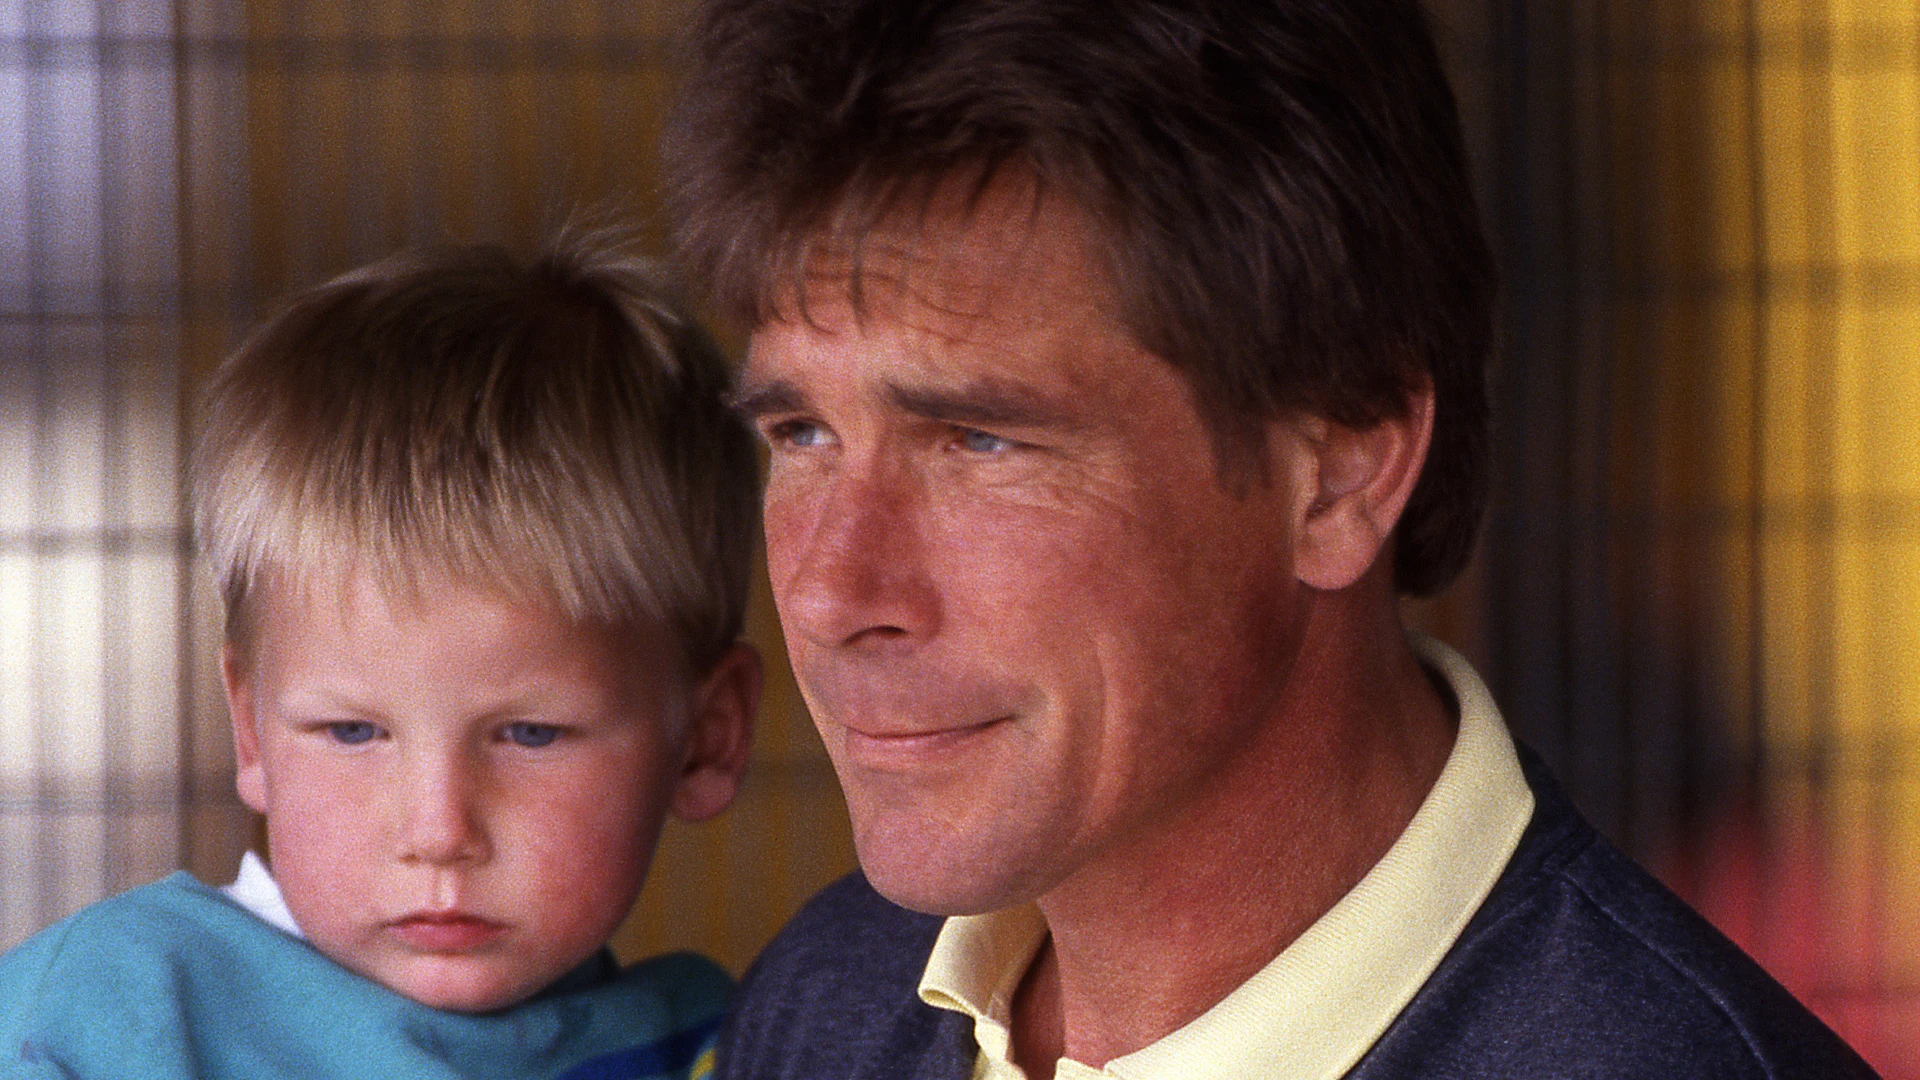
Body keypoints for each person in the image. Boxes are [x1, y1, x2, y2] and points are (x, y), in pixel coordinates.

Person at [661, 1, 1880, 1076]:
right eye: (802, 433)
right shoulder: (824, 1004)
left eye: (980, 442)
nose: (828, 589)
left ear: (1342, 470)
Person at [0, 232, 763, 1080]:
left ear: (707, 737)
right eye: (354, 731)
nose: (438, 834)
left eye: (531, 734)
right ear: (251, 732)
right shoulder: (112, 1018)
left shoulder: (715, 1044)